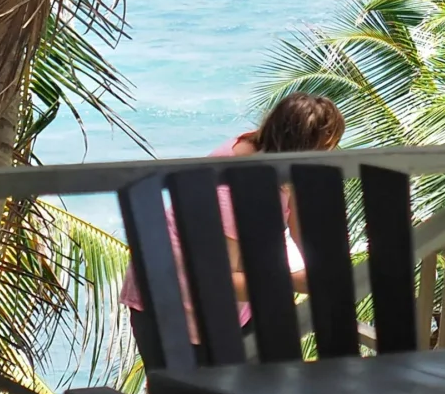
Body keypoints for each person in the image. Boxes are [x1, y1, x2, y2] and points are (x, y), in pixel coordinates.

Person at [123, 90, 346, 330]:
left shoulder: (272, 155)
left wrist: (320, 268)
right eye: (325, 149)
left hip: (231, 302)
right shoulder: (231, 189)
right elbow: (218, 282)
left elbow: (297, 217)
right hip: (175, 308)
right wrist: (294, 281)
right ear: (299, 149)